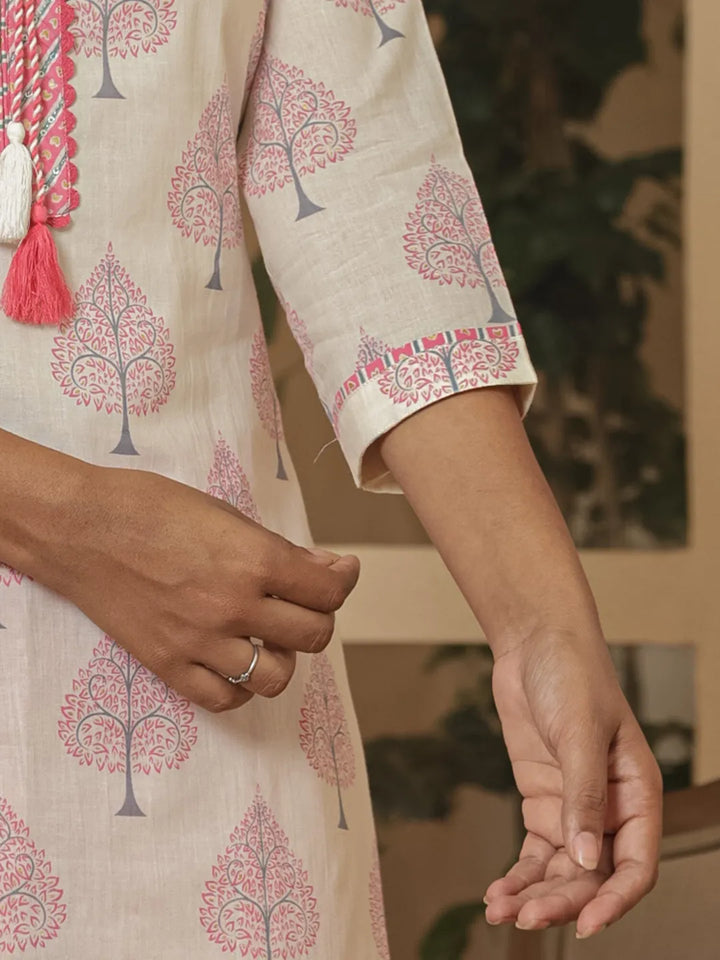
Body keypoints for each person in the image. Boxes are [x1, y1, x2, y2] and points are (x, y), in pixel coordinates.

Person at [0, 0, 661, 956]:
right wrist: (70, 521)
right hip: (179, 598)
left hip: (209, 697)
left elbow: (377, 198)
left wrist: (540, 629)